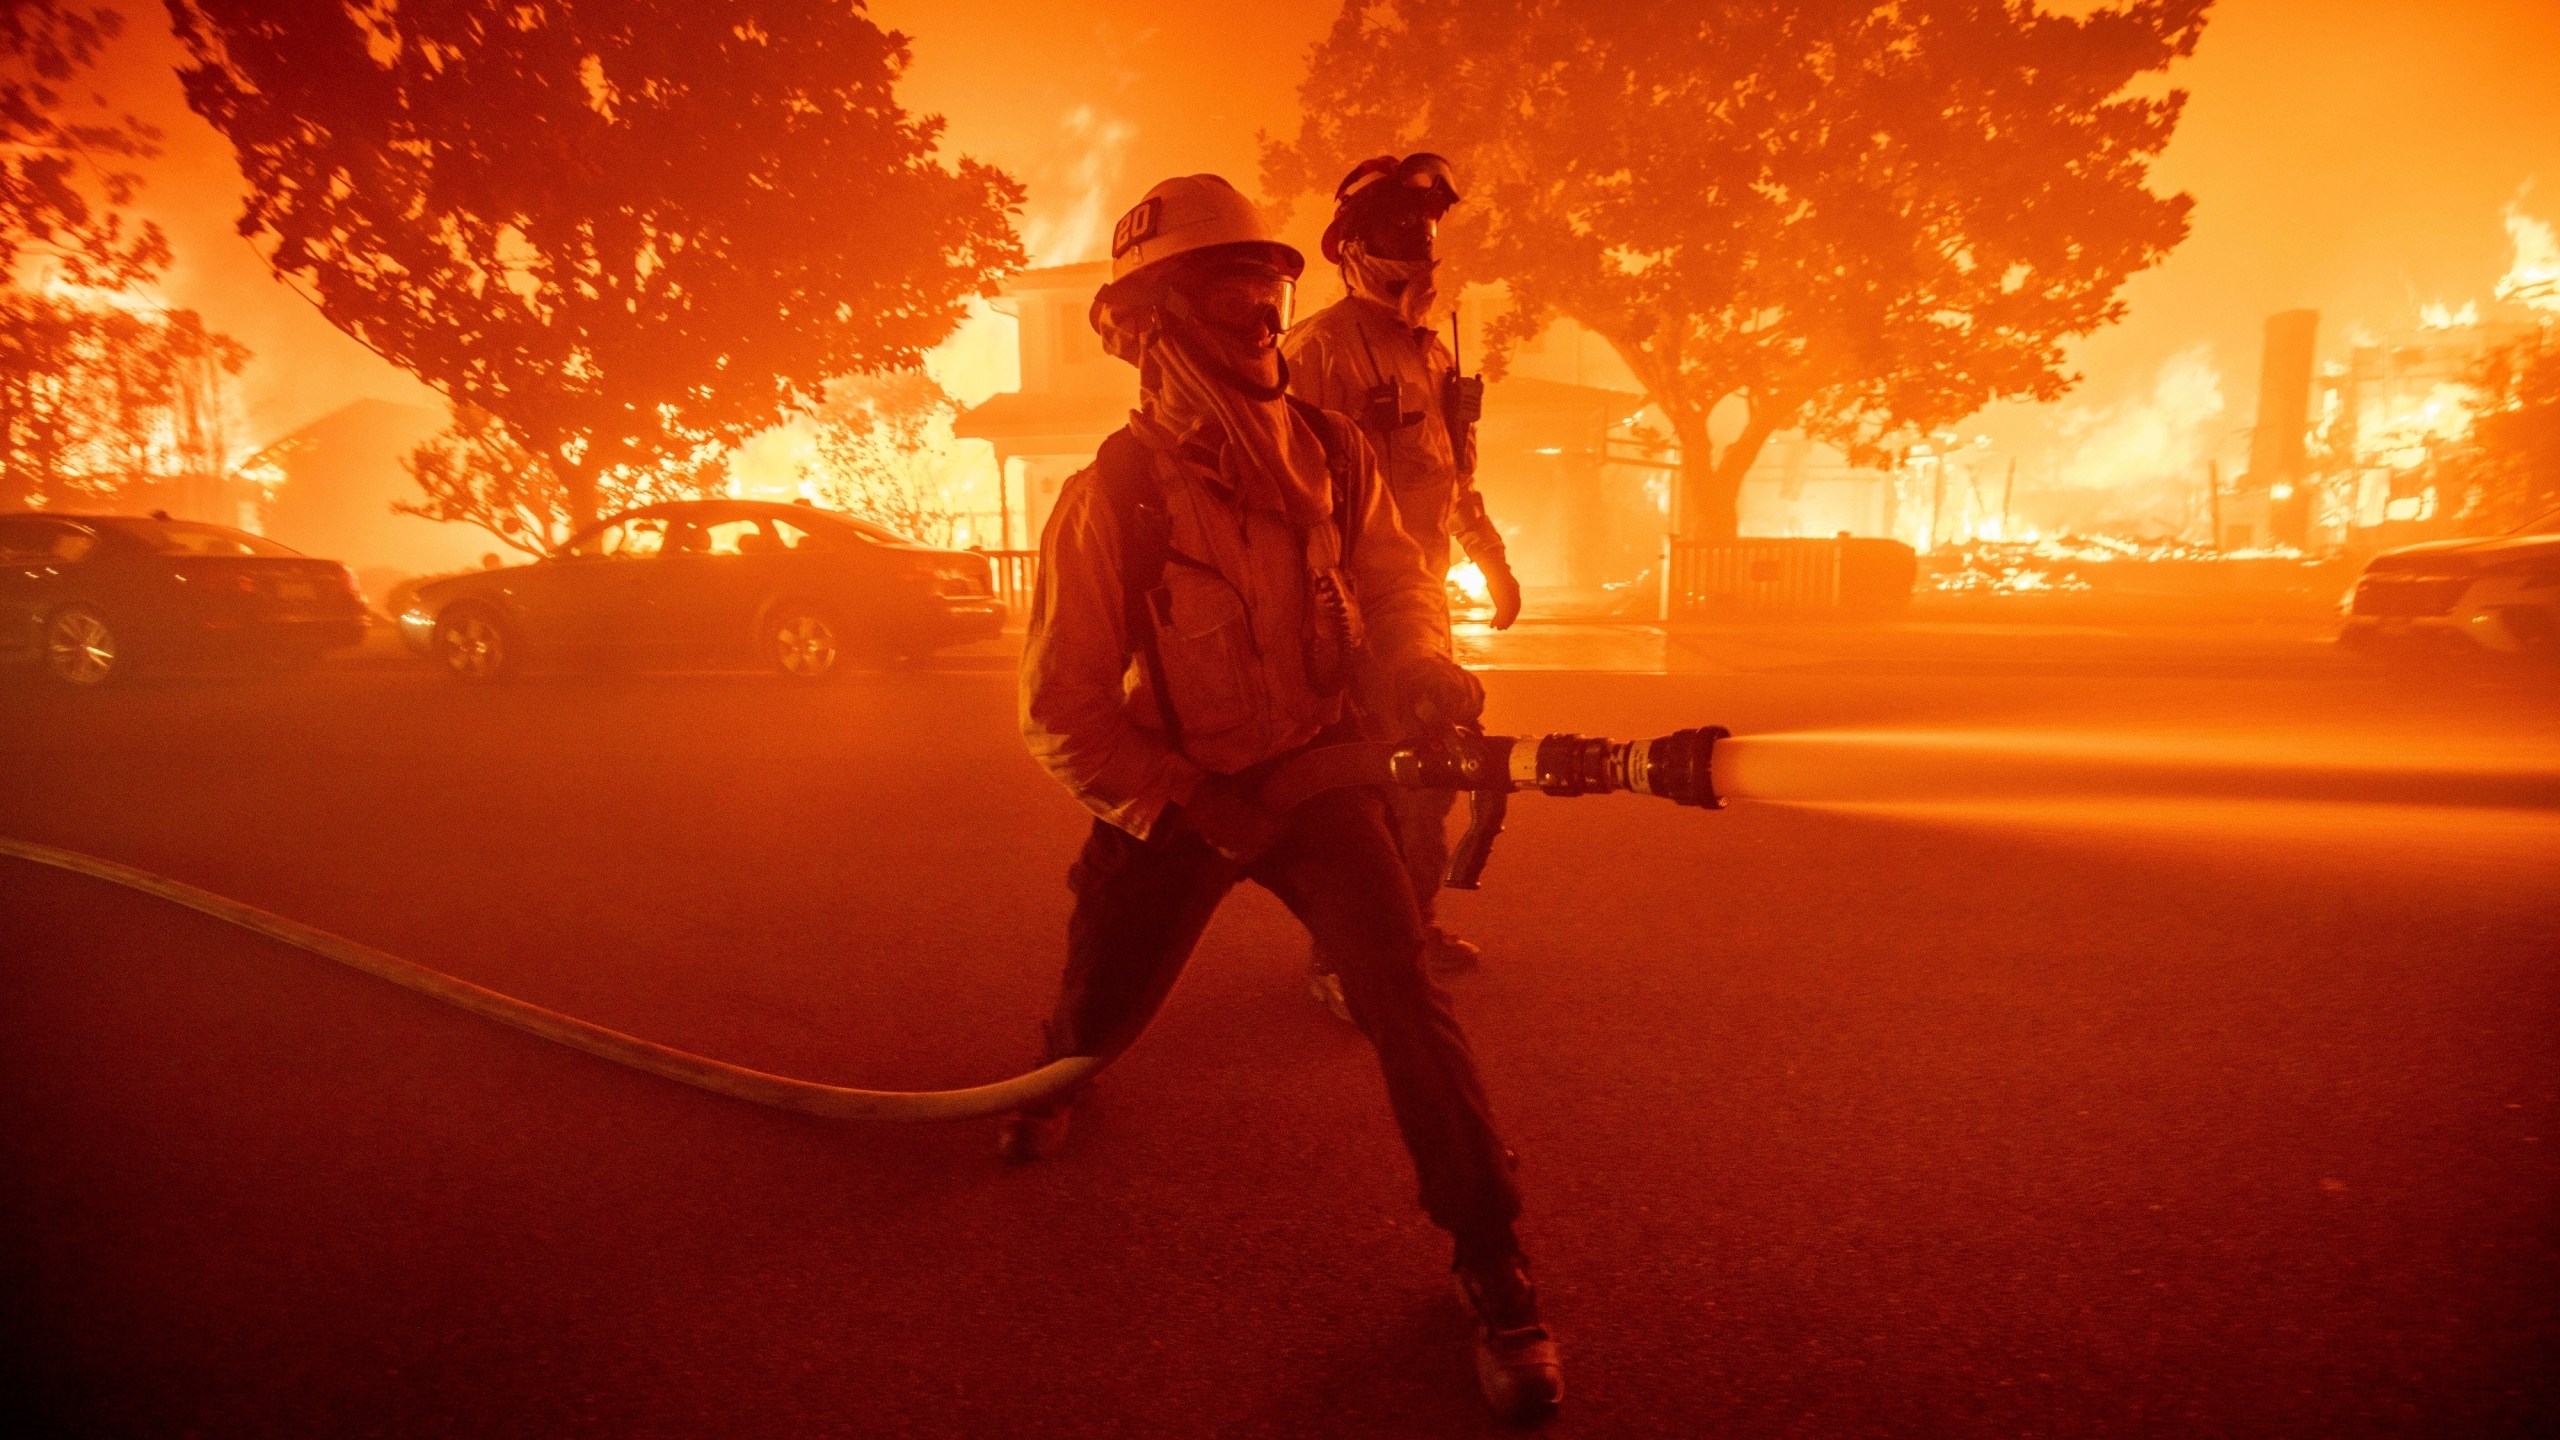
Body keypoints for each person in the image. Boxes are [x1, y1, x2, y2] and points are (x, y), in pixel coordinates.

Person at [1006, 173, 1563, 1423]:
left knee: (1407, 1004)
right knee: (1098, 1003)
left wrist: (1419, 666)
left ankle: (1493, 1264)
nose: (1262, 314)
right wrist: (1193, 808)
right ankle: (1052, 1087)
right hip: (1179, 792)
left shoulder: (1329, 452)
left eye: (1268, 288)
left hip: (1317, 780)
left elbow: (1396, 578)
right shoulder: (1112, 499)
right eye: (1228, 288)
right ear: (1148, 320)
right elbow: (1060, 714)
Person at [1283, 153, 1521, 1004]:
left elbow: (1452, 474)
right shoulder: (1315, 352)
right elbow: (1287, 498)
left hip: (1423, 609)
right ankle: (1342, 957)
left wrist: (1490, 560)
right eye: (1397, 233)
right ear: (1351, 247)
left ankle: (1407, 928)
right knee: (1368, 796)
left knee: (1434, 776)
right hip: (1350, 614)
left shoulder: (1432, 355)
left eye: (1424, 233)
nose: (1418, 249)